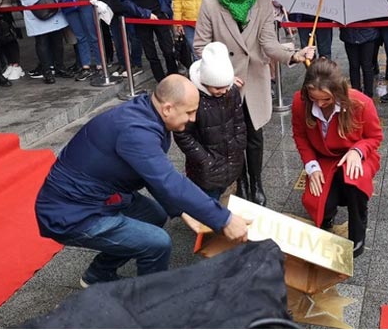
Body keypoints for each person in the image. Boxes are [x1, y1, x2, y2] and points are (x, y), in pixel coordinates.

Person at [34, 74, 251, 287]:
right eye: (190, 112)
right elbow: (168, 181)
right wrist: (224, 220)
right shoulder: (137, 132)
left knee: (154, 215)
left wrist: (182, 210)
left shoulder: (146, 112)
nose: (193, 119)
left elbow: (152, 176)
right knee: (157, 243)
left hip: (101, 194)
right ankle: (150, 302)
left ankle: (97, 274)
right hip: (71, 211)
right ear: (167, 108)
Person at [194, 0, 315, 206]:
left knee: (254, 135)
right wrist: (223, 76)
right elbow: (200, 46)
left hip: (256, 79)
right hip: (224, 83)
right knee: (231, 139)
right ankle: (241, 183)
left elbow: (269, 44)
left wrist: (294, 54)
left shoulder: (262, 2)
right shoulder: (210, 3)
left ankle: (257, 181)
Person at [292, 58, 382, 258]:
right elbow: (300, 136)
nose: (320, 104)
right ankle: (328, 214)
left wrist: (357, 151)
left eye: (326, 99)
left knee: (354, 180)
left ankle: (358, 226)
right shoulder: (300, 101)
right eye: (314, 98)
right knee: (316, 202)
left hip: (356, 156)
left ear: (338, 92)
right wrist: (311, 166)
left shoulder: (361, 103)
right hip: (323, 159)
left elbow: (375, 137)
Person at [174, 42, 246, 200]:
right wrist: (204, 159)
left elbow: (239, 120)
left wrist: (239, 144)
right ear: (205, 83)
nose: (224, 91)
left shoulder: (231, 91)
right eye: (218, 88)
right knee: (206, 202)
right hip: (204, 168)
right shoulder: (192, 97)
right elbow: (182, 134)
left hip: (231, 159)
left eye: (226, 86)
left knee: (226, 198)